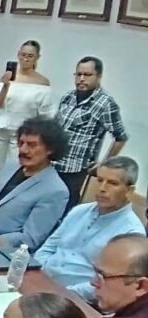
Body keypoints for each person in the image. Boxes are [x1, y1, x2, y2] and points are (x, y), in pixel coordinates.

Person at [36, 157, 143, 302]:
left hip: (76, 299)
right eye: (100, 180)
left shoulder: (131, 234)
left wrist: (62, 293)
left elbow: (110, 284)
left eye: (112, 183)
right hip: (41, 281)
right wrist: (38, 276)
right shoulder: (79, 211)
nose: (102, 188)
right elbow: (47, 249)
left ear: (129, 191)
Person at [0, 117, 69, 251]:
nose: (23, 150)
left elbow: (30, 238)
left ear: (50, 149)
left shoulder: (56, 190)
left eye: (31, 145)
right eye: (21, 143)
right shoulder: (10, 166)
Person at [55, 56, 128, 211]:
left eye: (87, 75)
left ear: (99, 76)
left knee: (64, 210)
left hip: (75, 169)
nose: (81, 79)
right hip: (52, 162)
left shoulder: (105, 104)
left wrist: (104, 163)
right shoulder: (68, 97)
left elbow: (120, 137)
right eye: (78, 74)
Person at [0, 40, 55, 170]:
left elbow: (46, 115)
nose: (25, 59)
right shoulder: (9, 76)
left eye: (30, 56)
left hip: (21, 136)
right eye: (23, 55)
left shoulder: (42, 83)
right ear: (18, 55)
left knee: (13, 169)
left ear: (37, 57)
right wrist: (5, 85)